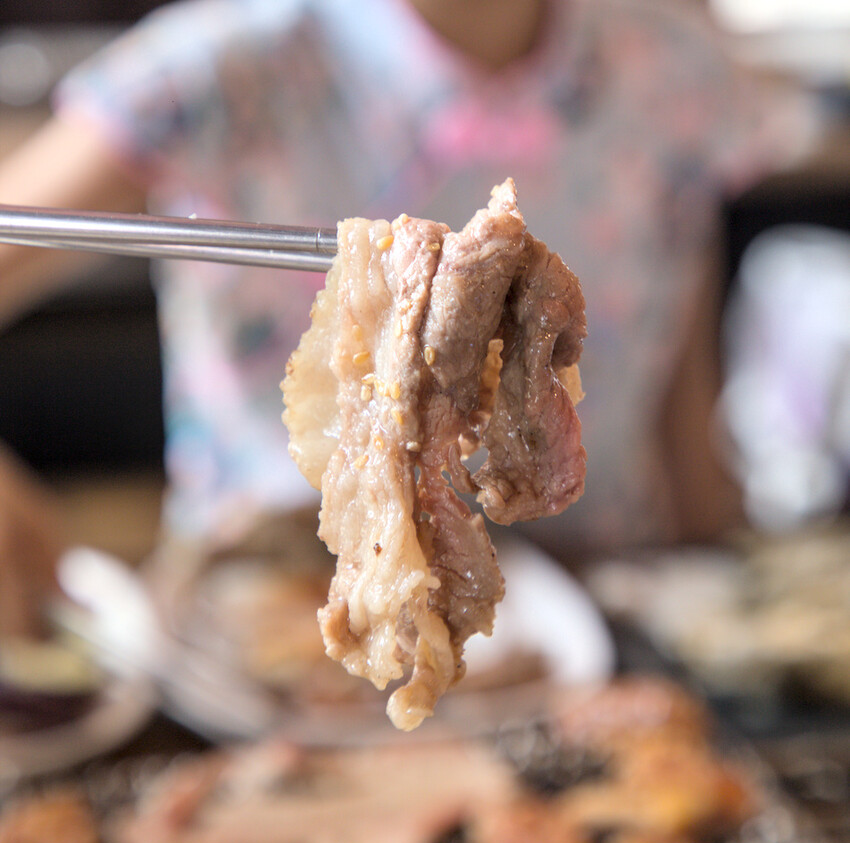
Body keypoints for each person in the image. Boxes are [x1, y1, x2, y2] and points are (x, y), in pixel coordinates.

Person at [0, 0, 824, 636]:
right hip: (270, 618)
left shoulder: (673, 66)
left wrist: (732, 593)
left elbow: (684, 395)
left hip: (598, 607)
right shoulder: (222, 67)